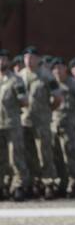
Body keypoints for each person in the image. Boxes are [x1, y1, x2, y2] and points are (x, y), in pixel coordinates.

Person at [19, 46, 60, 199]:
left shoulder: (47, 76)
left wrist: (48, 111)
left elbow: (57, 98)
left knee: (45, 153)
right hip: (25, 121)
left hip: (42, 121)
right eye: (26, 58)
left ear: (38, 59)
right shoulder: (19, 76)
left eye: (32, 58)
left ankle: (49, 183)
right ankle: (34, 183)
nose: (29, 61)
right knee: (29, 154)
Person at [51, 58, 75, 198]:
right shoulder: (52, 84)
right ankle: (62, 183)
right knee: (57, 156)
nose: (57, 71)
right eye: (55, 69)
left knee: (72, 155)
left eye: (60, 68)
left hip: (70, 125)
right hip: (54, 125)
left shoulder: (74, 84)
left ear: (65, 69)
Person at [0, 50, 29, 201]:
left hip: (12, 124)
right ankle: (3, 186)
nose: (1, 62)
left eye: (3, 59)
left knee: (15, 157)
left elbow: (24, 101)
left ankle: (19, 186)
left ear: (8, 62)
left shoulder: (16, 80)